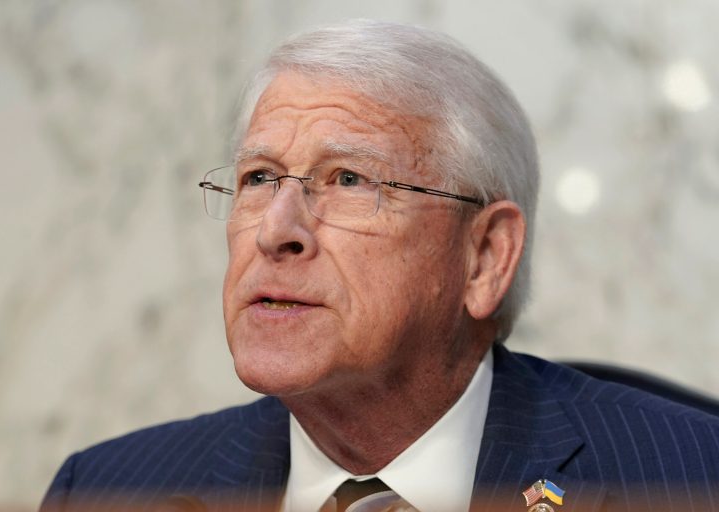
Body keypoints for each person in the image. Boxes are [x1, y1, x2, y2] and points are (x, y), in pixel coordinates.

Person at [41, 20, 719, 512]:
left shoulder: (690, 479)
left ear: (484, 257)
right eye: (257, 178)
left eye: (348, 180)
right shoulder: (105, 491)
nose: (277, 232)